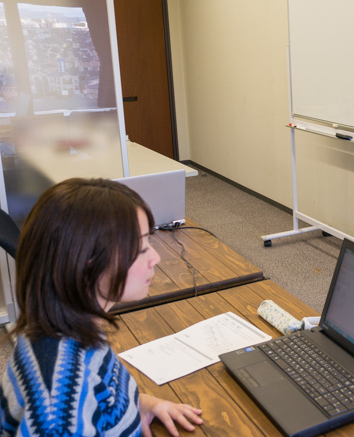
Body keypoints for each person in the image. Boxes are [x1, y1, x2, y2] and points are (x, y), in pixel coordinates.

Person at [0, 178, 204, 436]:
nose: (156, 257)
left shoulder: (66, 324)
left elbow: (98, 397)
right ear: (85, 262)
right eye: (140, 248)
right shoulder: (59, 404)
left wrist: (139, 404)